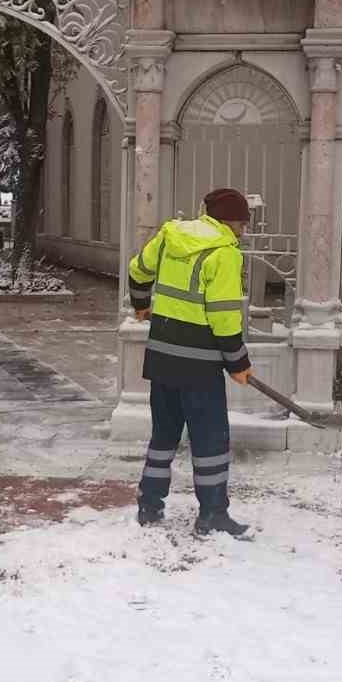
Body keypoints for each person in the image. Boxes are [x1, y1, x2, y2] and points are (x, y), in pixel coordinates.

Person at [127, 187, 254, 540]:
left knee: (163, 435)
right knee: (210, 440)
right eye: (243, 224)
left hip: (163, 358)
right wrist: (238, 361)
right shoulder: (225, 253)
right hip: (199, 365)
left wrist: (140, 304)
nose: (243, 231)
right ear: (232, 222)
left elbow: (137, 270)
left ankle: (149, 505)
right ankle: (213, 513)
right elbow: (224, 316)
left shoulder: (170, 237)